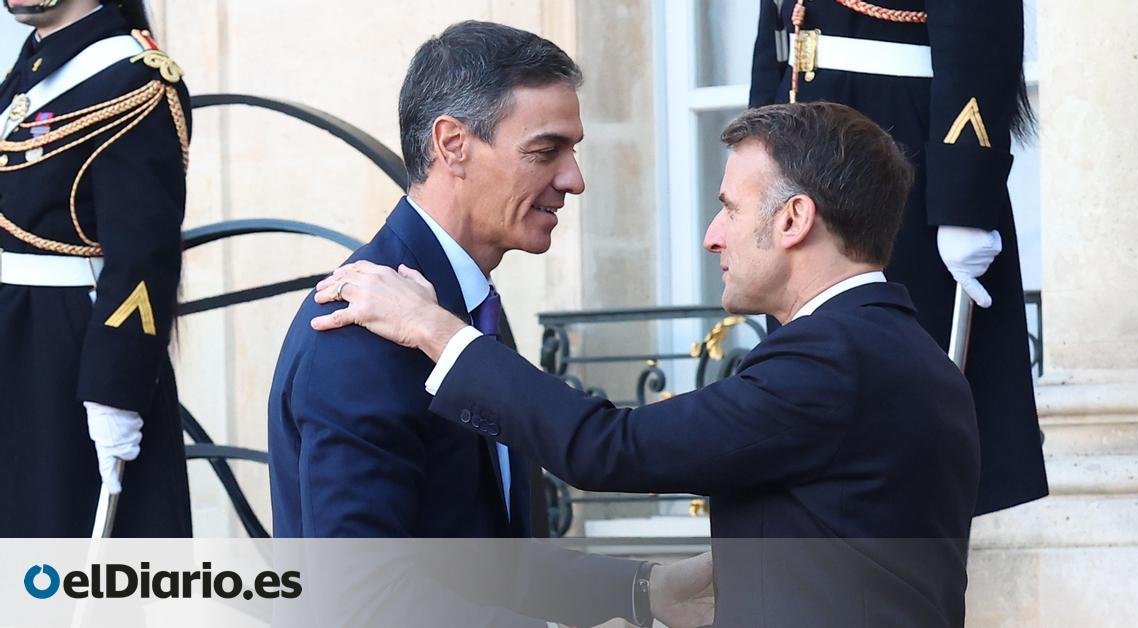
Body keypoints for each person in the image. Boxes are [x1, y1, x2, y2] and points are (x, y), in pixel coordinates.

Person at [313, 102, 981, 627]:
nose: (712, 236)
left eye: (729, 208)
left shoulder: (832, 359)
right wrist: (652, 590)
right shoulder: (906, 354)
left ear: (793, 220)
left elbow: (610, 448)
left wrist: (434, 329)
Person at [267, 21, 712, 628]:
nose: (574, 179)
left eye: (573, 151)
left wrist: (644, 590)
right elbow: (360, 604)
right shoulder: (358, 331)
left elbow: (490, 562)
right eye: (545, 151)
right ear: (453, 144)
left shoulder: (457, 310)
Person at [750, 0, 1046, 515]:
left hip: (895, 145)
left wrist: (963, 199)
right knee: (810, 379)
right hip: (801, 134)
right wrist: (755, 147)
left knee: (901, 404)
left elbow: (978, 28)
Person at [0, 0, 191, 537]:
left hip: (69, 349)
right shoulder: (30, 71)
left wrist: (115, 391)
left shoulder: (133, 79)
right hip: (16, 335)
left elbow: (142, 256)